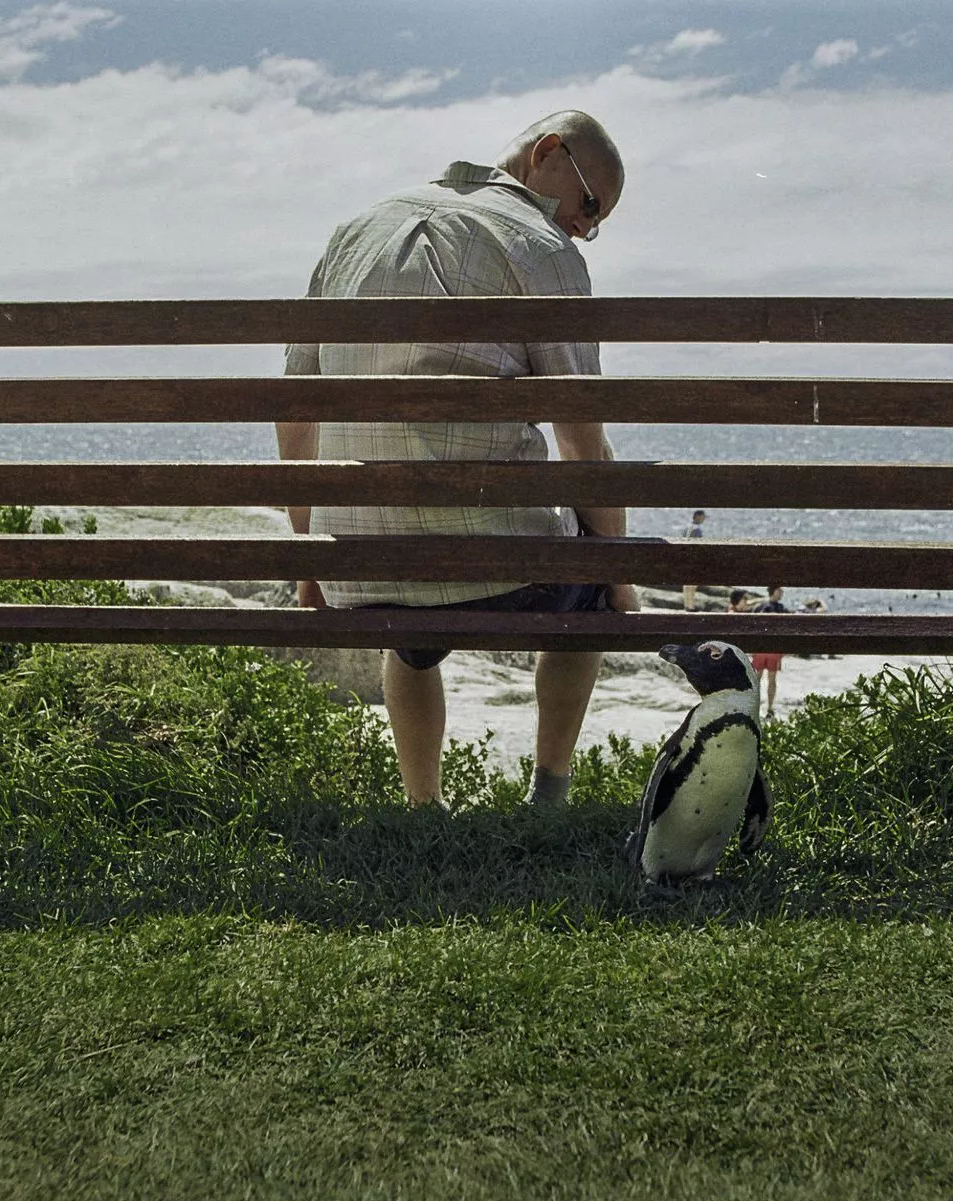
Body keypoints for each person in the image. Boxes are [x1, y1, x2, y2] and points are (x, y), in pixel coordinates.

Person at [275, 110, 634, 809]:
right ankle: (548, 796)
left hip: (362, 566)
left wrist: (310, 554)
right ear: (548, 153)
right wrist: (619, 569)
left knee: (410, 633)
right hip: (499, 570)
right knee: (591, 585)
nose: (586, 230)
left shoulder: (353, 235)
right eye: (590, 207)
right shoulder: (542, 249)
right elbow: (581, 438)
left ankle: (422, 807)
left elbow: (296, 409)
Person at [729, 585, 790, 719]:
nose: (782, 593)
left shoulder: (760, 607)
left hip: (761, 648)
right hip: (772, 649)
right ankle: (769, 708)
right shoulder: (781, 609)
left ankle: (754, 707)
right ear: (774, 591)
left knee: (757, 679)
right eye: (780, 591)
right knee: (769, 679)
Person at [681, 509, 708, 611]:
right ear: (698, 516)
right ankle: (691, 606)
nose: (704, 519)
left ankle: (687, 605)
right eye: (703, 517)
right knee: (693, 584)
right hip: (693, 558)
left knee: (686, 583)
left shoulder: (686, 527)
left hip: (685, 557)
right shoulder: (697, 529)